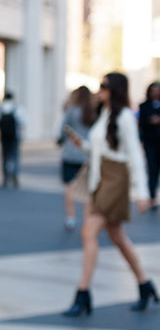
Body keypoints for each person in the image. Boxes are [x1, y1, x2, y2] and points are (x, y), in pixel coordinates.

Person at [62, 72, 157, 317]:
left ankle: (83, 293)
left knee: (89, 231)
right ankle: (145, 284)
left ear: (114, 89)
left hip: (115, 179)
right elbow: (99, 148)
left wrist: (142, 193)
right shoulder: (105, 114)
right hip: (99, 176)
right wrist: (81, 144)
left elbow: (135, 154)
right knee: (118, 237)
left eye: (104, 86)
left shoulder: (125, 116)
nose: (100, 90)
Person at [60, 86, 95, 230]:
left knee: (70, 186)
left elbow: (64, 128)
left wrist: (61, 140)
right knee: (86, 189)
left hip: (70, 152)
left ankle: (70, 217)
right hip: (86, 154)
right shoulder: (93, 112)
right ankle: (87, 219)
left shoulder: (72, 110)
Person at [138, 82, 160, 209]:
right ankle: (152, 195)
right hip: (150, 142)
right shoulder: (144, 106)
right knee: (151, 168)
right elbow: (141, 123)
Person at [0, 91, 24, 188]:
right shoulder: (16, 108)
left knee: (5, 157)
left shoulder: (1, 108)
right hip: (14, 136)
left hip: (4, 137)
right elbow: (22, 122)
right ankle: (15, 176)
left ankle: (5, 177)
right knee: (15, 156)